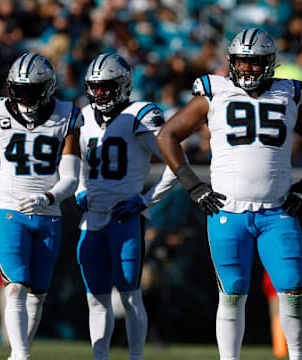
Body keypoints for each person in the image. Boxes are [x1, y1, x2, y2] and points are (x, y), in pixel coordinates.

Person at [156, 28, 302, 360]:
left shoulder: (289, 93)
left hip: (276, 212)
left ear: (269, 64)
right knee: (233, 293)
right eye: (241, 62)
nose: (247, 69)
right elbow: (168, 135)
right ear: (230, 62)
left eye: (254, 63)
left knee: (293, 288)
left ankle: (298, 357)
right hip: (228, 212)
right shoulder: (215, 92)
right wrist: (193, 186)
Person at [75, 53, 178, 360]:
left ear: (122, 85)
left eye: (106, 87)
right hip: (91, 218)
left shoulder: (140, 114)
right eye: (94, 87)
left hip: (124, 218)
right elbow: (75, 161)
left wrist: (145, 201)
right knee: (96, 298)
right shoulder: (83, 116)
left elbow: (176, 163)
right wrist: (80, 188)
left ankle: (135, 357)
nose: (99, 94)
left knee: (131, 296)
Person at [0, 52, 83, 360]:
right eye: (19, 89)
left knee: (38, 291)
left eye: (31, 90)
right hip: (9, 208)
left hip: (48, 212)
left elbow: (72, 177)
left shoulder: (67, 115)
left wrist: (48, 197)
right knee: (15, 286)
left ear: (48, 88)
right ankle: (21, 356)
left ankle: (19, 352)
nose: (24, 97)